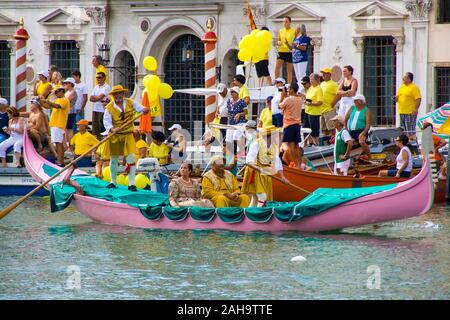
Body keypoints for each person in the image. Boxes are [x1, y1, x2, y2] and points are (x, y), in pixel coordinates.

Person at [102, 85, 149, 191]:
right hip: (115, 135)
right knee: (114, 159)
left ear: (123, 94)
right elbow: (107, 122)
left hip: (128, 134)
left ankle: (131, 184)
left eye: (119, 93)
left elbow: (141, 108)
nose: (117, 95)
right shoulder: (109, 108)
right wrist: (112, 129)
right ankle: (113, 182)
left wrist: (145, 109)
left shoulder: (130, 102)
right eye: (115, 94)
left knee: (131, 159)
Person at [242, 125, 289, 207]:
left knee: (255, 198)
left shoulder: (274, 146)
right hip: (255, 173)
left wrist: (282, 177)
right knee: (262, 197)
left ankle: (251, 213)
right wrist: (258, 168)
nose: (279, 137)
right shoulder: (256, 143)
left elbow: (277, 162)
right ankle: (258, 214)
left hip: (266, 173)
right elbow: (249, 161)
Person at [38, 86, 70, 166]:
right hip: (54, 124)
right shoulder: (56, 100)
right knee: (57, 142)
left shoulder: (64, 100)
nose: (55, 93)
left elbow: (57, 106)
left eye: (57, 92)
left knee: (58, 143)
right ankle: (60, 161)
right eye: (55, 92)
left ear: (62, 91)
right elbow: (47, 106)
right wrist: (40, 101)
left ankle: (60, 162)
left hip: (58, 124)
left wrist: (48, 102)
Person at [279, 82, 302, 167]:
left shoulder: (288, 99)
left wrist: (282, 96)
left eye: (288, 89)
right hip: (297, 124)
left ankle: (294, 164)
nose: (287, 91)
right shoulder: (299, 99)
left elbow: (279, 106)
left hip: (289, 125)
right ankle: (299, 163)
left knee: (290, 145)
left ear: (292, 89)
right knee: (296, 145)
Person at [394, 72, 421, 141]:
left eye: (405, 77)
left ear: (409, 79)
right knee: (403, 130)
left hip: (410, 112)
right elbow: (398, 97)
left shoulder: (414, 87)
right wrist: (395, 98)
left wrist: (416, 109)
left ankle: (412, 143)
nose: (403, 78)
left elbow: (418, 98)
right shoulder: (402, 87)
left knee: (410, 130)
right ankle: (405, 143)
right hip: (402, 112)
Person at [344, 94, 371, 158]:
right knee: (347, 142)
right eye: (354, 100)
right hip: (352, 132)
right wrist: (346, 130)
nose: (354, 102)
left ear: (361, 101)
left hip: (361, 131)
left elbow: (368, 124)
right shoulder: (352, 108)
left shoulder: (366, 110)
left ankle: (369, 156)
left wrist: (363, 133)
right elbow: (345, 119)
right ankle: (347, 157)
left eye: (356, 100)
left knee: (361, 141)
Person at [225, 86, 247, 155]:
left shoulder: (241, 102)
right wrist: (228, 123)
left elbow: (246, 112)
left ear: (237, 93)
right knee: (228, 139)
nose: (231, 93)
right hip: (231, 123)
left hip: (240, 122)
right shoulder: (229, 101)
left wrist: (239, 114)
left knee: (236, 136)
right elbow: (229, 112)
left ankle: (242, 151)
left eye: (233, 92)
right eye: (231, 92)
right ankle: (229, 155)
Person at [303, 74, 323, 146]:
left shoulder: (318, 89)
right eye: (310, 79)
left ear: (317, 80)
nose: (311, 81)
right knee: (306, 127)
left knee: (314, 129)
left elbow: (320, 102)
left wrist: (311, 104)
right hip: (307, 111)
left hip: (314, 113)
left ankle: (316, 143)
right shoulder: (311, 88)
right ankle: (310, 143)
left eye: (312, 79)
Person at [90, 71, 111, 140]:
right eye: (97, 78)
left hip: (102, 110)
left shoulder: (107, 87)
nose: (98, 79)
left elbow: (100, 97)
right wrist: (97, 98)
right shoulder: (96, 87)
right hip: (95, 109)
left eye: (99, 77)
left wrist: (96, 98)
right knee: (95, 130)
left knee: (102, 128)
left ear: (104, 78)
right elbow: (91, 98)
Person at [275, 16, 295, 84]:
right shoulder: (281, 31)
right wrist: (278, 42)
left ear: (290, 22)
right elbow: (278, 40)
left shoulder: (293, 31)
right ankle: (277, 82)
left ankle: (289, 84)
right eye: (283, 21)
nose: (284, 23)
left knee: (289, 70)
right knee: (277, 67)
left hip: (289, 51)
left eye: (286, 21)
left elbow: (295, 41)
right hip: (281, 51)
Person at [320, 67, 338, 138]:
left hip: (329, 109)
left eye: (325, 74)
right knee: (324, 128)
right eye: (323, 74)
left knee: (331, 128)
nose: (323, 75)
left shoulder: (333, 84)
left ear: (329, 75)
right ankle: (326, 142)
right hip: (322, 110)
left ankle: (332, 142)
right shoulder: (322, 84)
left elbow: (338, 94)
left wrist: (333, 103)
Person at [62, 78, 78, 146]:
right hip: (67, 112)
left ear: (71, 84)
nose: (65, 85)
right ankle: (67, 144)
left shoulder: (73, 92)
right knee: (65, 129)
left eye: (67, 83)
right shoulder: (67, 92)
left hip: (71, 112)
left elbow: (66, 101)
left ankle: (70, 144)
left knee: (69, 129)